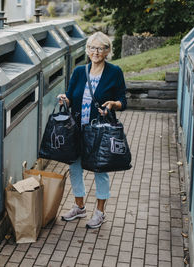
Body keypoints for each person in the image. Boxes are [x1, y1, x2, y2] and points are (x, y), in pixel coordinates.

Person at [58, 31, 127, 229]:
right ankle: (79, 207)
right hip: (78, 129)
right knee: (75, 168)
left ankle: (100, 212)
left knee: (100, 170)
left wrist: (113, 104)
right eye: (92, 47)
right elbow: (71, 97)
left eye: (100, 48)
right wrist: (65, 99)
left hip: (100, 131)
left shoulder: (114, 72)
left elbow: (124, 101)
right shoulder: (80, 72)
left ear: (107, 51)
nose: (95, 52)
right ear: (87, 50)